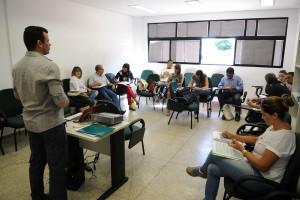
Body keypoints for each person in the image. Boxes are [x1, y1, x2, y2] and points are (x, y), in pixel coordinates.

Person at [186, 94, 295, 200]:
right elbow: (257, 140)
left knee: (215, 152)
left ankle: (201, 171)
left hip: (262, 180)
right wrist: (233, 136)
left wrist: (242, 150)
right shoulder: (275, 126)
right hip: (252, 166)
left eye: (264, 114)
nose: (262, 117)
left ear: (275, 115)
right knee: (212, 169)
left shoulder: (283, 137)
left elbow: (263, 166)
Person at [12, 26, 69, 200]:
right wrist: (68, 100)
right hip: (51, 124)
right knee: (57, 165)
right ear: (39, 43)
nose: (49, 44)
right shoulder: (48, 66)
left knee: (36, 162)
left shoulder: (17, 67)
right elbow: (60, 101)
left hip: (31, 123)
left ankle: (37, 196)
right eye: (47, 40)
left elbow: (16, 95)